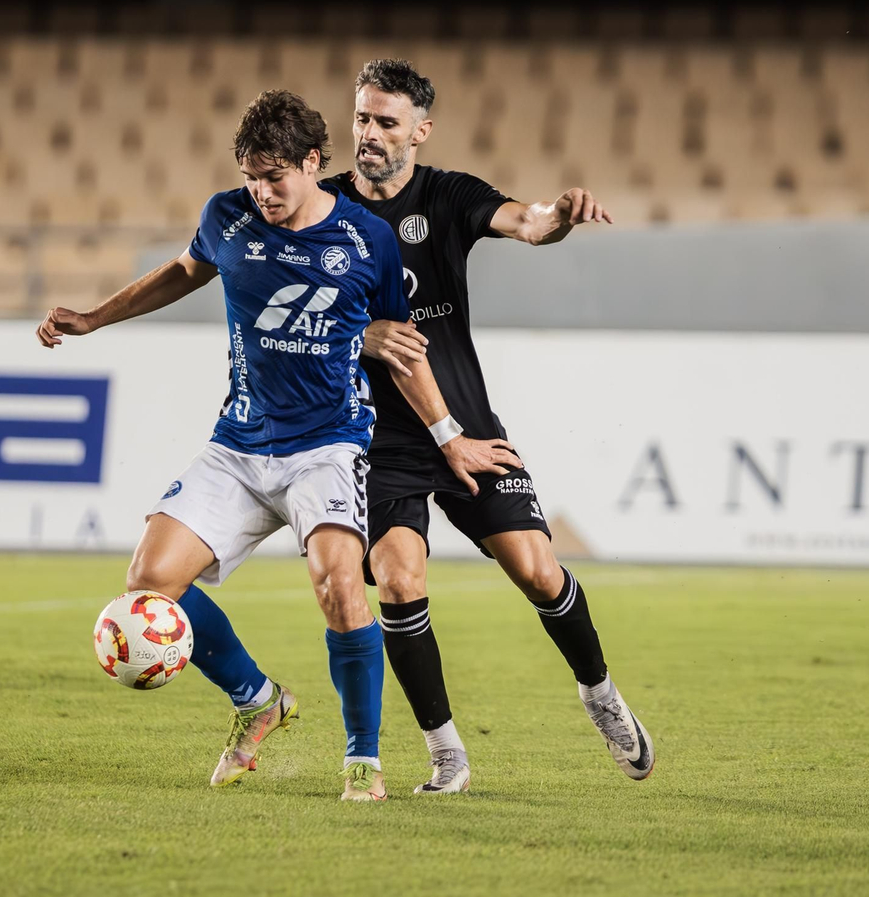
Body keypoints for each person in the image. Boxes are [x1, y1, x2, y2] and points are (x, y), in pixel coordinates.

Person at [36, 89, 513, 801]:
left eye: (276, 177)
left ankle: (362, 761)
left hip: (329, 446)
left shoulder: (366, 240)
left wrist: (449, 437)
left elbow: (404, 349)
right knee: (147, 581)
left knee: (341, 585)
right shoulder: (225, 216)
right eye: (252, 176)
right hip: (240, 442)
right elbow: (181, 272)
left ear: (313, 163)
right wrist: (97, 317)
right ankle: (258, 699)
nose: (262, 192)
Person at [326, 58, 654, 794]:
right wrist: (361, 334)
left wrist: (559, 216)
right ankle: (446, 753)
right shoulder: (323, 212)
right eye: (361, 118)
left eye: (385, 121)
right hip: (380, 443)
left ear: (421, 129)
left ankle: (599, 692)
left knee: (539, 571)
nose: (369, 134)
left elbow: (526, 222)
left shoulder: (448, 196)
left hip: (469, 428)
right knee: (401, 585)